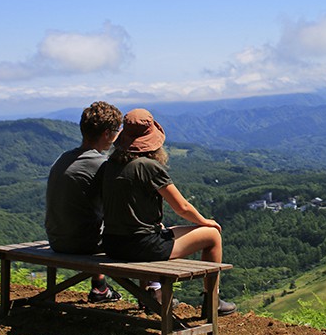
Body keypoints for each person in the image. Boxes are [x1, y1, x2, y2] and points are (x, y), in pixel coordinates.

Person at [101, 108, 236, 316]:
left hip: (112, 244)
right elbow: (182, 207)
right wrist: (205, 221)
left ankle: (150, 296)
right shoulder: (147, 166)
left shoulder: (110, 165)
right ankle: (212, 302)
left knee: (163, 230)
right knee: (212, 236)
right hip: (141, 247)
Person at [45, 101, 123, 303]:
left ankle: (100, 287)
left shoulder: (63, 158)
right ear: (107, 134)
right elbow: (119, 208)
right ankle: (152, 291)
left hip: (56, 239)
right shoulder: (100, 164)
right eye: (116, 132)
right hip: (83, 244)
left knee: (90, 219)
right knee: (139, 234)